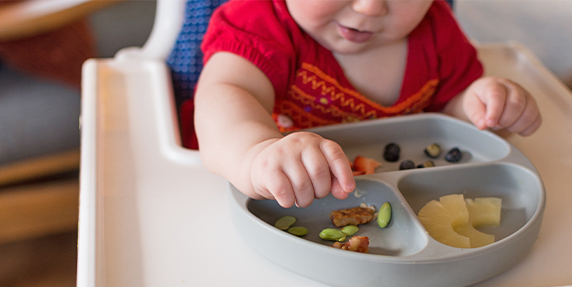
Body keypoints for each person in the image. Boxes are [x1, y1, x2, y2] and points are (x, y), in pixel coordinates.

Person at [189, 0, 542, 209]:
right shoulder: (261, 23)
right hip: (275, 195)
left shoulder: (436, 31)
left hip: (394, 197)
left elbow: (451, 110)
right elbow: (227, 94)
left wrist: (484, 106)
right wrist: (254, 153)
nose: (370, 7)